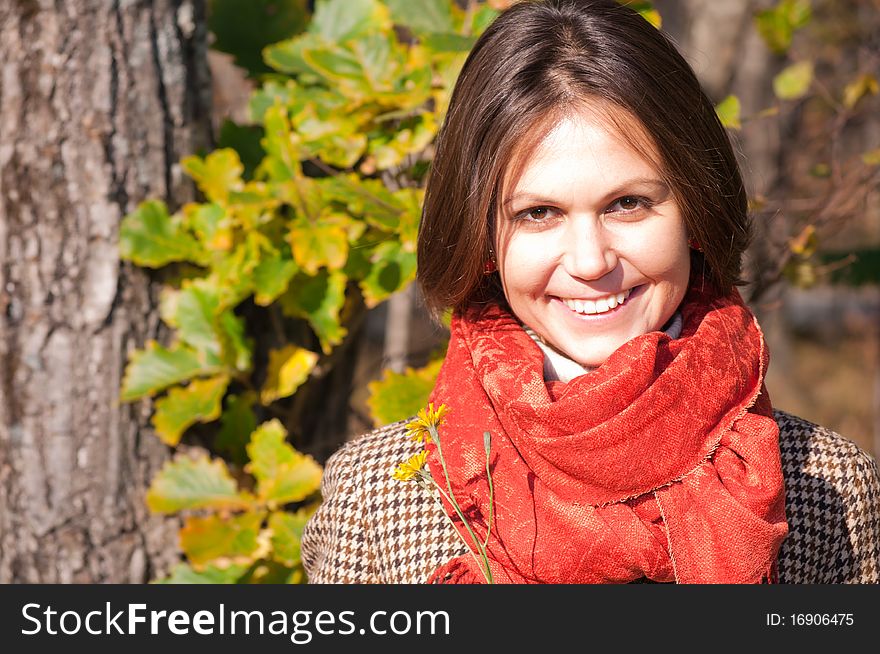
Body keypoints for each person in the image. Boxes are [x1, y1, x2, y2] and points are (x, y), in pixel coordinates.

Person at [301, 0, 880, 583]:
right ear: (481, 234)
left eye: (628, 203)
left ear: (696, 210)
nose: (589, 261)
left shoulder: (826, 490)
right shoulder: (378, 501)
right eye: (539, 213)